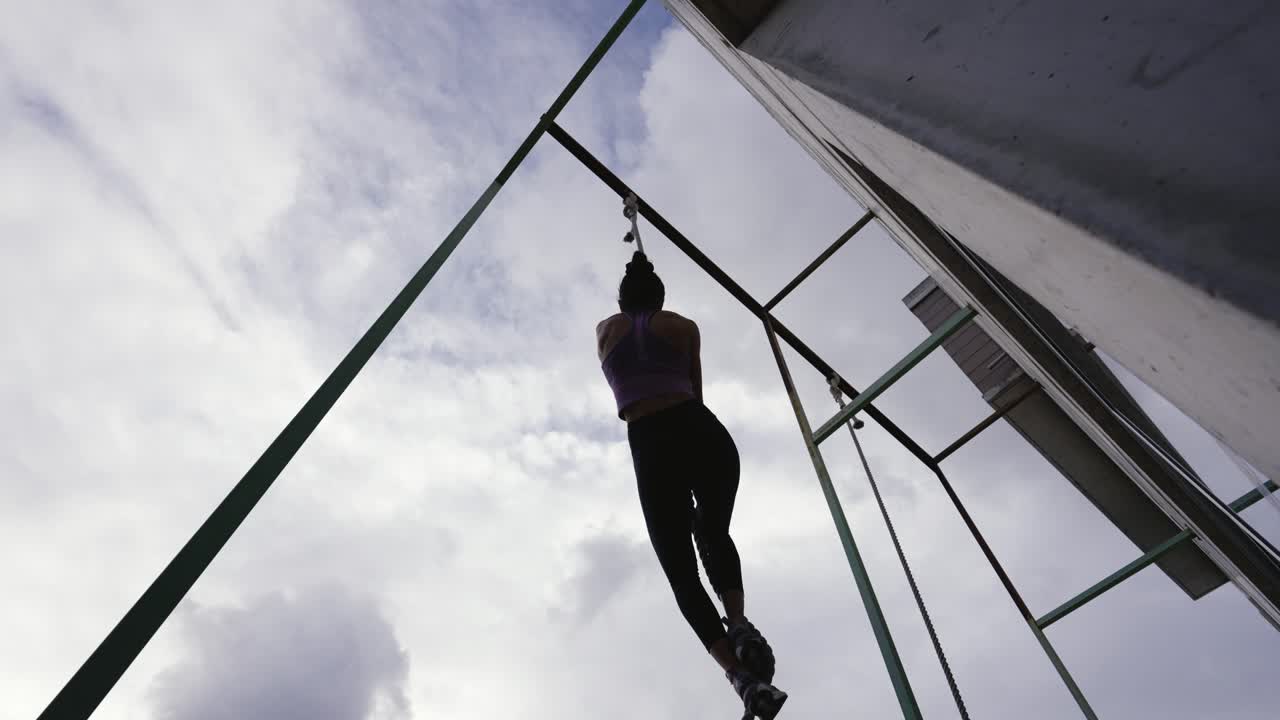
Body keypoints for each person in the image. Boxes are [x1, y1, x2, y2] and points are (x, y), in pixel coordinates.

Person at [597, 251, 787, 719]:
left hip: (650, 443)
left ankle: (740, 678)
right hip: (700, 431)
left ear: (621, 301)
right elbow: (695, 389)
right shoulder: (685, 327)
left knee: (681, 572)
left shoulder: (605, 330)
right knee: (712, 531)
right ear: (661, 297)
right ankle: (738, 623)